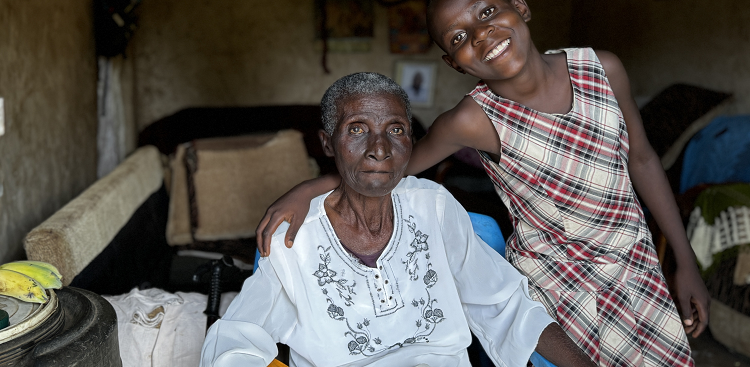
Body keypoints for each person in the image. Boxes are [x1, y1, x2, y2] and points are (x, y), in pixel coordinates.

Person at [257, 0, 708, 367]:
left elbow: (643, 159)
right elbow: (385, 168)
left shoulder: (602, 68)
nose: (481, 34)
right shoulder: (472, 120)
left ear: (521, 8)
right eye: (458, 37)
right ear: (456, 64)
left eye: (488, 12)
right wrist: (311, 187)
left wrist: (684, 262)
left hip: (637, 265)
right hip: (560, 286)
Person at [201, 72, 597, 367]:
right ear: (327, 143)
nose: (379, 149)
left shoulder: (433, 208)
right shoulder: (295, 237)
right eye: (357, 129)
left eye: (396, 130)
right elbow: (235, 342)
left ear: (410, 140)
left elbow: (508, 306)